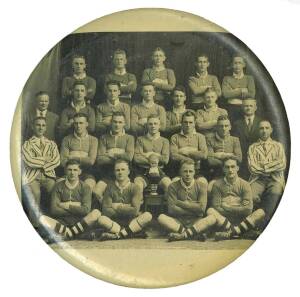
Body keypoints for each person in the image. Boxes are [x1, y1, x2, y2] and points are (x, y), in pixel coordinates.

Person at [177, 157, 265, 241]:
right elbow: (216, 208)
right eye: (227, 167)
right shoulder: (217, 184)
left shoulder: (245, 184)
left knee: (260, 212)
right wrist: (238, 203)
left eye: (233, 166)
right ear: (223, 169)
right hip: (223, 221)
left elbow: (248, 210)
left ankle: (231, 233)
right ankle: (237, 232)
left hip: (242, 219)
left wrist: (227, 206)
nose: (230, 170)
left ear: (237, 168)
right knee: (210, 210)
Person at [39, 160, 101, 241]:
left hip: (81, 221)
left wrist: (67, 205)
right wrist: (78, 206)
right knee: (41, 218)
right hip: (63, 223)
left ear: (80, 172)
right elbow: (54, 210)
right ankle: (75, 233)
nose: (72, 173)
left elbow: (85, 210)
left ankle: (67, 234)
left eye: (75, 170)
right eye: (70, 170)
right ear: (65, 171)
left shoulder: (85, 187)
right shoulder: (58, 186)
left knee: (96, 213)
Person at [97, 159, 153, 240]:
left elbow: (135, 211)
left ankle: (118, 235)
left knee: (148, 215)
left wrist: (116, 206)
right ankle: (129, 233)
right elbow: (106, 210)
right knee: (101, 219)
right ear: (114, 172)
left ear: (128, 172)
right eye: (117, 170)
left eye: (123, 169)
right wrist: (127, 207)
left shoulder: (135, 187)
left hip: (131, 221)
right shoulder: (109, 187)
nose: (120, 172)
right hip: (115, 222)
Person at [22, 117, 60, 227]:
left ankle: (53, 224)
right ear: (33, 127)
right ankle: (35, 225)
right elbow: (29, 161)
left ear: (46, 128)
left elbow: (56, 160)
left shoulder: (51, 143)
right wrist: (45, 159)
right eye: (38, 125)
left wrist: (40, 162)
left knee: (55, 192)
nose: (40, 127)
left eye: (43, 125)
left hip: (48, 175)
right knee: (35, 194)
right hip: (33, 176)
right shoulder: (27, 144)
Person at [157, 160, 208, 241]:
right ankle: (191, 234)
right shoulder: (173, 186)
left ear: (194, 172)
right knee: (161, 218)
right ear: (180, 172)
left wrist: (180, 203)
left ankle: (182, 235)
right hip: (178, 221)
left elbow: (202, 209)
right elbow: (171, 209)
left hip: (196, 221)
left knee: (212, 218)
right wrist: (195, 207)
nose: (188, 174)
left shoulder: (201, 186)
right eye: (185, 171)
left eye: (190, 171)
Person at [248, 120, 286, 223]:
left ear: (271, 130)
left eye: (267, 128)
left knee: (276, 193)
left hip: (275, 179)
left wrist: (264, 166)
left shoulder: (278, 146)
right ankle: (251, 223)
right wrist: (272, 165)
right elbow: (253, 168)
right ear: (258, 131)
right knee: (249, 196)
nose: (264, 131)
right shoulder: (253, 147)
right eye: (261, 128)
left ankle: (264, 224)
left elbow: (282, 164)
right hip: (258, 179)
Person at [93, 112, 134, 205]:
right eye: (115, 122)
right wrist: (121, 153)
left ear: (124, 123)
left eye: (120, 122)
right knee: (96, 191)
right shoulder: (104, 138)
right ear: (111, 123)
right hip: (108, 174)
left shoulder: (129, 138)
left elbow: (129, 157)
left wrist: (111, 154)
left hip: (124, 174)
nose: (117, 125)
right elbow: (100, 159)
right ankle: (108, 207)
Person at [134, 115, 171, 195]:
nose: (153, 126)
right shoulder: (140, 139)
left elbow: (165, 159)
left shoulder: (165, 141)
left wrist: (147, 154)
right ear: (147, 125)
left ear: (159, 125)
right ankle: (138, 206)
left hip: (160, 172)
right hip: (143, 172)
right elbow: (137, 158)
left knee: (168, 185)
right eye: (150, 124)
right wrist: (156, 156)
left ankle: (166, 207)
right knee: (137, 185)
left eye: (155, 123)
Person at [60, 113, 98, 191]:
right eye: (76, 123)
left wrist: (72, 156)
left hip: (87, 173)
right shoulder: (66, 139)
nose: (78, 126)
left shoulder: (93, 140)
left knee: (89, 187)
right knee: (60, 186)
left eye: (81, 123)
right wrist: (84, 157)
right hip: (69, 173)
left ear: (86, 124)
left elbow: (91, 161)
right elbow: (63, 162)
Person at [170, 110, 208, 180]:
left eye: (190, 122)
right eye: (185, 122)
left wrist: (184, 152)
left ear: (194, 123)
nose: (188, 125)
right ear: (181, 123)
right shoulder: (175, 137)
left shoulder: (200, 137)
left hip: (197, 171)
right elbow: (173, 156)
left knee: (203, 182)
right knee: (174, 181)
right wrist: (191, 157)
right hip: (179, 171)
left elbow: (204, 154)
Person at [232, 98, 262, 178]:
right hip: (242, 158)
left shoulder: (262, 123)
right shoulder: (236, 124)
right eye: (246, 106)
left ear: (255, 108)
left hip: (257, 157)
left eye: (251, 106)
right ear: (242, 108)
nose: (248, 108)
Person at [222, 56, 255, 120]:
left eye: (239, 63)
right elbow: (225, 94)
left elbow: (252, 94)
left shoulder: (249, 78)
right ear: (232, 65)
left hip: (246, 107)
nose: (237, 65)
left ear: (244, 65)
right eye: (235, 63)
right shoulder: (226, 78)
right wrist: (242, 90)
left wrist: (232, 91)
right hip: (231, 108)